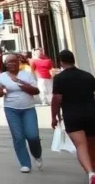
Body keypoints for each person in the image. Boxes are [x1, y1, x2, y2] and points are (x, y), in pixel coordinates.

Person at [51, 49, 95, 183]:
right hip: (91, 113)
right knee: (92, 144)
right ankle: (93, 167)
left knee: (81, 145)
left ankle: (91, 173)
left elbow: (57, 99)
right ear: (73, 60)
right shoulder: (88, 76)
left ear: (61, 62)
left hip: (72, 115)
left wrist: (54, 116)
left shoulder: (59, 78)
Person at [0, 53, 42, 173]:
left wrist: (19, 82)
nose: (12, 64)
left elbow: (36, 91)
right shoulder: (2, 76)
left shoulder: (27, 74)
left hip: (28, 108)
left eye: (14, 61)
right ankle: (25, 163)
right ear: (5, 64)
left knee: (33, 136)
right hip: (11, 109)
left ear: (18, 63)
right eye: (9, 62)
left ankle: (37, 154)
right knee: (18, 137)